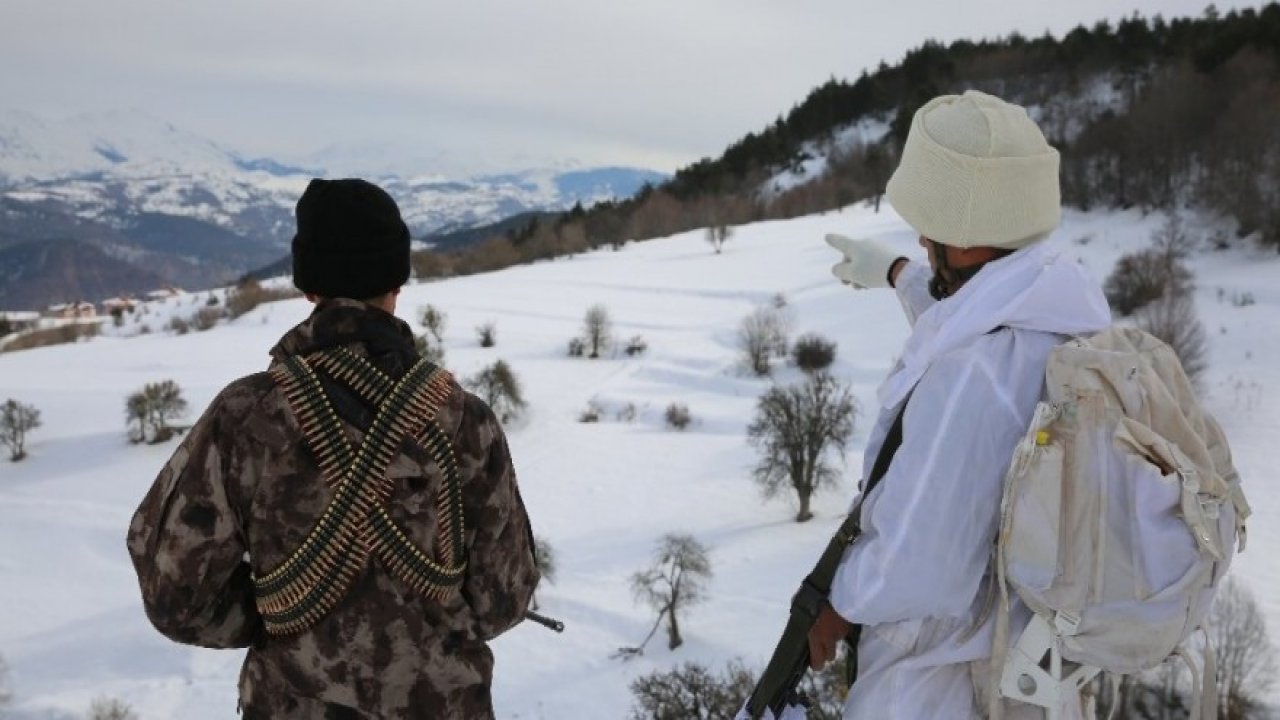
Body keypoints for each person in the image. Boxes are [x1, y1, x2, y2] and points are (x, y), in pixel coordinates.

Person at [127, 178, 540, 719]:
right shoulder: (465, 420)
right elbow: (503, 600)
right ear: (399, 279)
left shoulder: (246, 417)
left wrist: (281, 620)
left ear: (307, 286)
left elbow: (175, 596)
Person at [810, 91, 1112, 718]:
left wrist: (835, 609)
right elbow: (970, 320)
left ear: (974, 233)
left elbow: (917, 564)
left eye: (936, 227)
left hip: (936, 677)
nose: (923, 239)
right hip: (1024, 663)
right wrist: (898, 274)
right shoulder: (1059, 312)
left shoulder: (972, 379)